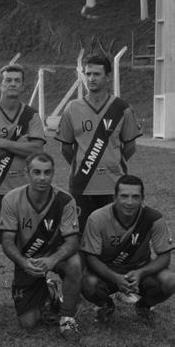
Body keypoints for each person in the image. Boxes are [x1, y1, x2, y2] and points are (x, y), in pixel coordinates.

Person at [0, 64, 45, 311]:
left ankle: (24, 286)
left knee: (27, 241)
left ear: (23, 85)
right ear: (0, 84)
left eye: (17, 80)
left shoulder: (31, 115)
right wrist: (18, 143)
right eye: (8, 80)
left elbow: (37, 149)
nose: (12, 84)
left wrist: (1, 142)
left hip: (26, 191)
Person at [0, 152, 82, 340]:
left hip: (55, 257)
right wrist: (23, 262)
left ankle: (67, 317)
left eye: (47, 172)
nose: (42, 178)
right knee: (28, 322)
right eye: (36, 172)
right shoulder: (11, 199)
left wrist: (52, 260)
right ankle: (51, 291)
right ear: (27, 173)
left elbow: (73, 242)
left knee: (75, 264)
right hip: (27, 260)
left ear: (53, 173)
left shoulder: (65, 200)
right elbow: (7, 242)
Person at [56, 54, 142, 233]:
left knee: (113, 235)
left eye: (96, 74)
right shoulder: (72, 108)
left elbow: (130, 146)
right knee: (81, 237)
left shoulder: (122, 108)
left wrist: (111, 160)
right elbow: (65, 148)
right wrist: (84, 164)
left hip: (114, 185)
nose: (91, 78)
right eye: (87, 74)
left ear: (107, 77)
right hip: (82, 183)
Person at [80, 175, 175, 326]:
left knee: (170, 280)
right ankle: (105, 305)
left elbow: (165, 257)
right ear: (115, 197)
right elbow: (91, 258)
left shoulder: (154, 218)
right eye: (124, 196)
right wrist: (115, 277)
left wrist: (141, 272)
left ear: (143, 198)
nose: (129, 202)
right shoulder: (97, 218)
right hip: (108, 271)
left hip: (140, 270)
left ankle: (144, 306)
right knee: (87, 283)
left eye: (135, 197)